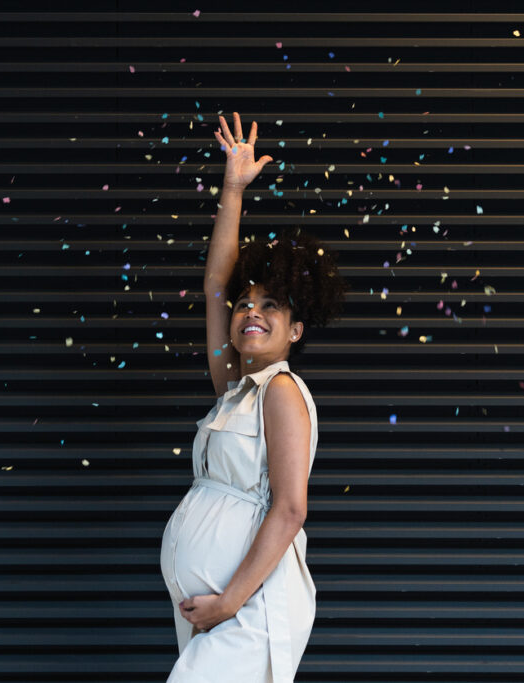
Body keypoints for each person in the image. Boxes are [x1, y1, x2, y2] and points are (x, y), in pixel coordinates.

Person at [159, 112, 348, 682]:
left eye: (271, 306)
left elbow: (291, 509)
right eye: (248, 303)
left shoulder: (281, 392)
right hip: (219, 611)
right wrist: (233, 188)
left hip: (251, 609)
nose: (250, 313)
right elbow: (217, 285)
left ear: (295, 330)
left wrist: (229, 602)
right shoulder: (233, 389)